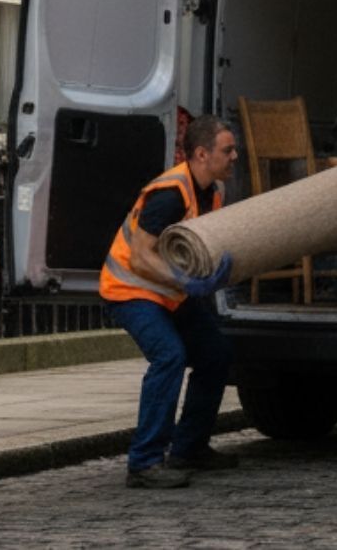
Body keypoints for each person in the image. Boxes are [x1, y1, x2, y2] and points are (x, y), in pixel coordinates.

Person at [102, 114, 241, 489]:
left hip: (168, 294)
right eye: (228, 150)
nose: (235, 156)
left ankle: (189, 449)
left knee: (216, 355)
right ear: (201, 153)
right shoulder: (171, 193)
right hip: (130, 290)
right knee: (170, 356)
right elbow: (140, 256)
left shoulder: (211, 191)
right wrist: (186, 282)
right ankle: (144, 463)